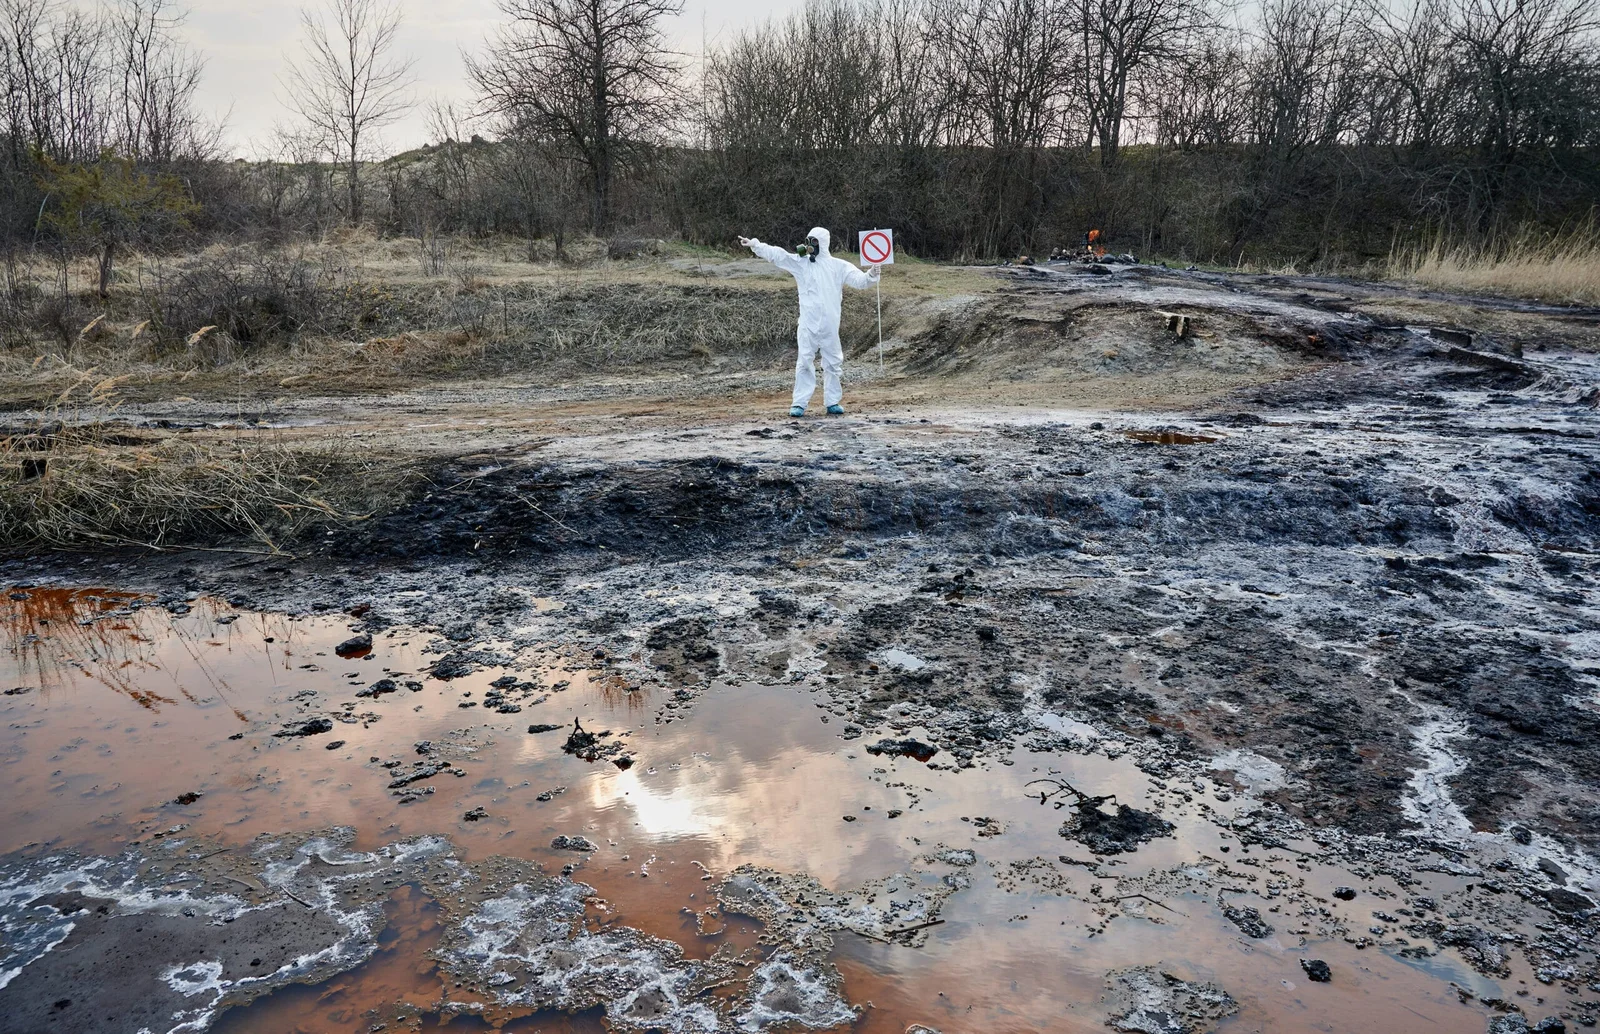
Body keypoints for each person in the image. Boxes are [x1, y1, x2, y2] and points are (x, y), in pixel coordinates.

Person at [739, 226, 879, 417]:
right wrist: (756, 245)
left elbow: (859, 281)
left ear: (822, 244)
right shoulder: (801, 263)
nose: (808, 245)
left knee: (833, 362)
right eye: (808, 240)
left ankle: (832, 401)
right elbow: (778, 255)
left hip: (830, 324)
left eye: (813, 241)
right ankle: (799, 403)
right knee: (805, 361)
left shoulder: (838, 266)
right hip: (808, 324)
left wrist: (871, 274)